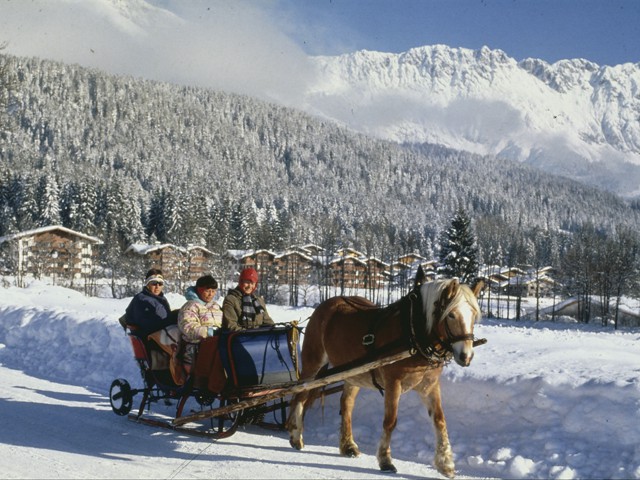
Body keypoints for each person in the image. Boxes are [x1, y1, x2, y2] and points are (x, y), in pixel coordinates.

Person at [177, 274, 223, 370]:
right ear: (199, 290)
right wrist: (209, 332)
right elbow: (188, 327)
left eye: (213, 291)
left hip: (216, 344)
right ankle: (198, 382)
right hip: (196, 347)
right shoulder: (190, 306)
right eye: (207, 291)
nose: (211, 294)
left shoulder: (215, 306)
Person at [125, 268, 174, 338]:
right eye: (154, 283)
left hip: (164, 333)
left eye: (160, 284)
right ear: (147, 284)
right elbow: (146, 324)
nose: (157, 287)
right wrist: (169, 322)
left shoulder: (161, 299)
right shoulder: (141, 300)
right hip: (150, 337)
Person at [222, 267, 274, 331]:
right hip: (239, 338)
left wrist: (273, 329)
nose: (250, 286)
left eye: (252, 283)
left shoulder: (258, 301)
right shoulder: (231, 300)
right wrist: (251, 335)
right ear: (241, 282)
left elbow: (267, 322)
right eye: (247, 282)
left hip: (259, 338)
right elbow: (231, 325)